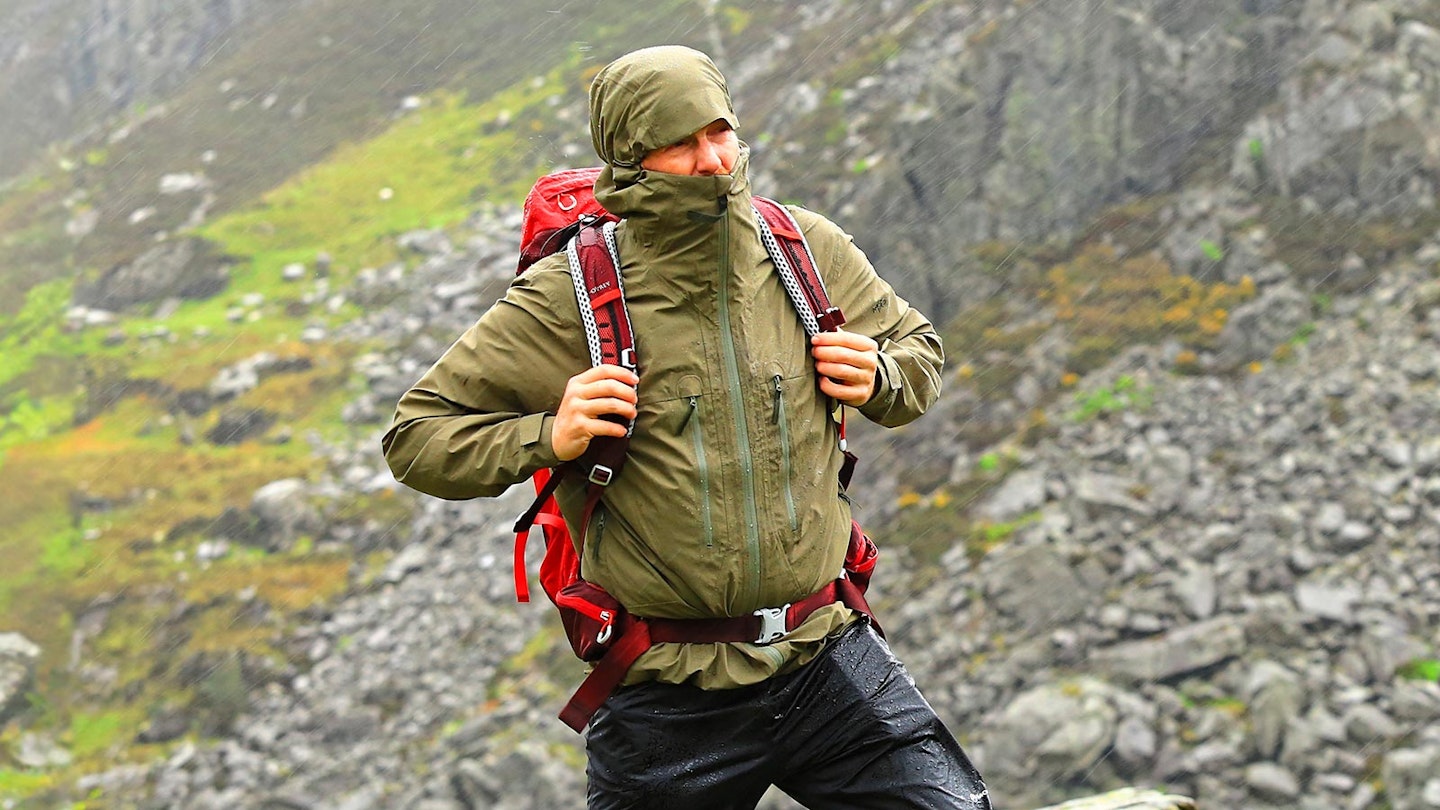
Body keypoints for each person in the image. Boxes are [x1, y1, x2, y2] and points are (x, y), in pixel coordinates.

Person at [383, 45, 990, 810]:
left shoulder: (803, 250)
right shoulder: (569, 295)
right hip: (668, 692)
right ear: (631, 159)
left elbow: (919, 356)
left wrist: (883, 374)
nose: (712, 160)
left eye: (720, 133)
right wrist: (550, 435)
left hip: (825, 654)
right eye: (682, 142)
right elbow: (416, 437)